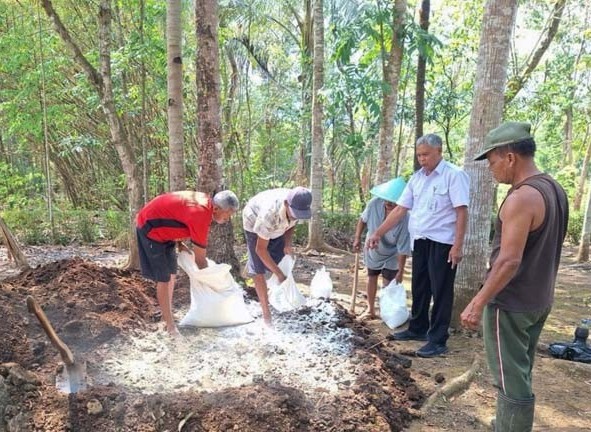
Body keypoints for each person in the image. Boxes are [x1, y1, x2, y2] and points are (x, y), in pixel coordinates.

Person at [460, 122, 568, 431]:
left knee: (510, 380)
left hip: (510, 303)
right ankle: (507, 423)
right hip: (539, 299)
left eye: (492, 161)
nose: (491, 169)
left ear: (510, 157)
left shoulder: (521, 198)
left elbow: (508, 260)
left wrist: (478, 302)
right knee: (519, 371)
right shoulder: (554, 189)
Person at [367, 133, 469, 358]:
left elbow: (462, 211)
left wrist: (458, 245)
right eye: (419, 155)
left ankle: (438, 340)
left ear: (439, 151)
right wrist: (377, 232)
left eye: (426, 155)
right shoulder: (417, 178)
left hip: (443, 243)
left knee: (441, 291)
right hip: (420, 241)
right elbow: (401, 209)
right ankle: (417, 328)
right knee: (420, 286)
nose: (422, 159)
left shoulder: (454, 175)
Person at [136, 190, 239, 336]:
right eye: (228, 214)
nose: (228, 219)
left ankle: (168, 315)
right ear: (216, 208)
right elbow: (200, 261)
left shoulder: (206, 205)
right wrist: (213, 284)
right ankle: (169, 325)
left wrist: (180, 243)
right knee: (163, 278)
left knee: (172, 274)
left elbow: (178, 215)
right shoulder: (201, 214)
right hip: (150, 229)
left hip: (166, 233)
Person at [242, 186, 312, 325]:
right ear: (286, 204)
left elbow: (291, 224)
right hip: (253, 220)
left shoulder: (299, 205)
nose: (296, 216)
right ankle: (266, 315)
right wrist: (280, 275)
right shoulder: (269, 215)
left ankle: (253, 266)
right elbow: (261, 249)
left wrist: (287, 244)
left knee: (276, 259)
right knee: (258, 270)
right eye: (294, 213)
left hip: (277, 228)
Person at [352, 177, 411, 320]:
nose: (388, 203)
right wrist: (357, 238)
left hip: (393, 252)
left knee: (388, 281)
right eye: (386, 200)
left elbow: (403, 248)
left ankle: (386, 312)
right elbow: (363, 220)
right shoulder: (373, 204)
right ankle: (370, 309)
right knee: (372, 276)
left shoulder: (405, 218)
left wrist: (401, 272)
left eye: (392, 201)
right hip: (373, 248)